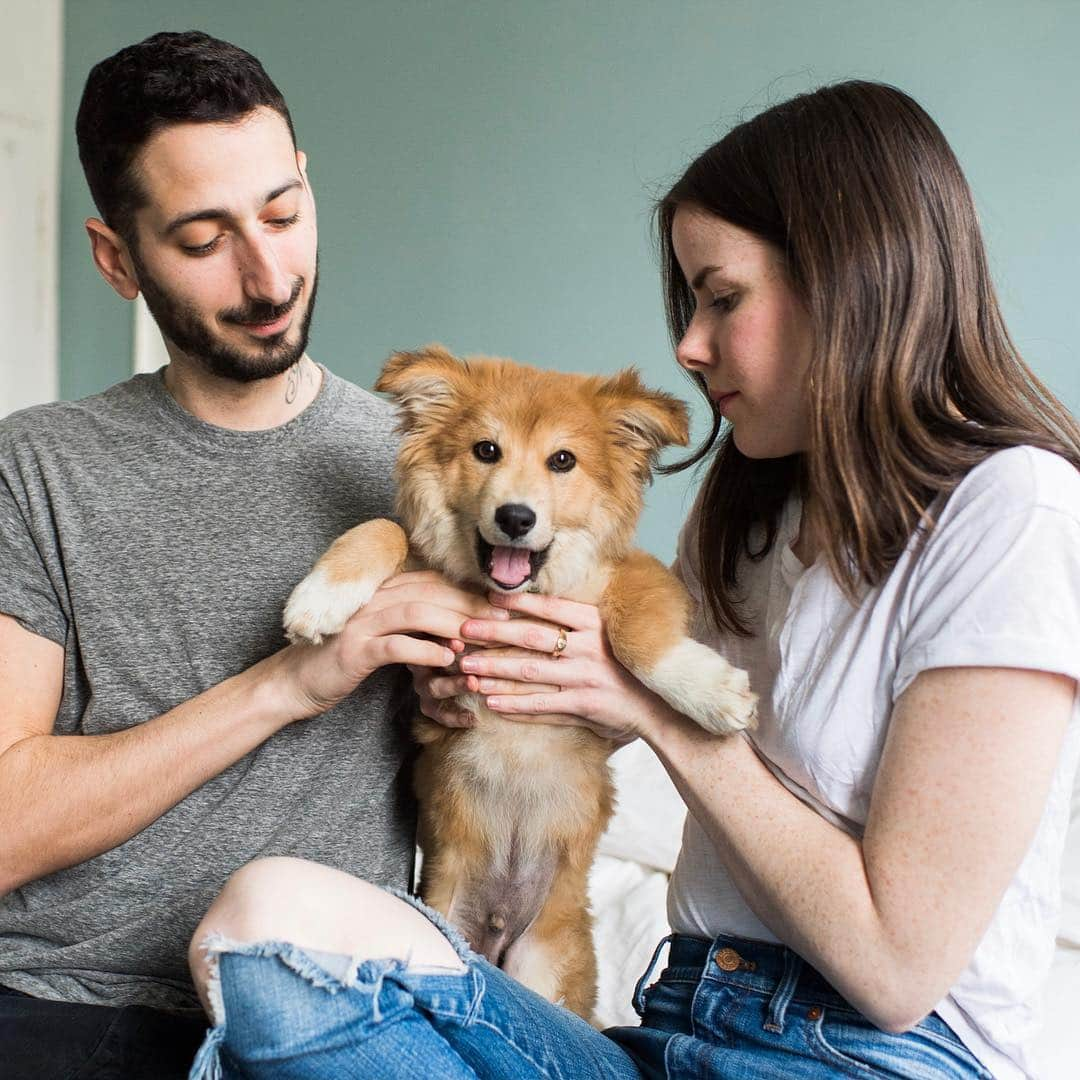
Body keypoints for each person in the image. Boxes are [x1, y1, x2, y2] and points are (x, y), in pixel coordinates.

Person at [185, 81, 1080, 1080]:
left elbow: (898, 970)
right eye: (689, 304)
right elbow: (594, 688)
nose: (689, 345)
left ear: (848, 279)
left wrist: (654, 710)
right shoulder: (755, 507)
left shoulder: (1014, 509)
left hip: (868, 1056)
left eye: (722, 297)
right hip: (675, 1031)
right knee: (264, 929)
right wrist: (494, 680)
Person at [0, 30, 503, 1080]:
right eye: (202, 239)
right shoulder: (37, 468)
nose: (269, 274)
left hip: (332, 1006)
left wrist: (479, 700)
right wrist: (289, 684)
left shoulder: (422, 464)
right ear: (116, 258)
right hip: (64, 1010)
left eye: (283, 212)